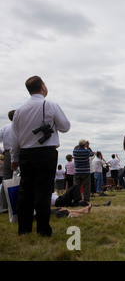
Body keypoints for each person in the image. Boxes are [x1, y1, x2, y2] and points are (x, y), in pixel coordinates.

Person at [10, 75, 71, 236]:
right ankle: (43, 229)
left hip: (25, 153)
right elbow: (65, 126)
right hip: (45, 152)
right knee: (43, 191)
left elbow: (14, 138)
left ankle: (24, 229)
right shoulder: (50, 105)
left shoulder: (19, 111)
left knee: (26, 192)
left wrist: (15, 158)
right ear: (43, 87)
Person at [0, 110, 15, 212]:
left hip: (8, 153)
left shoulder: (5, 128)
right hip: (20, 152)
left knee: (6, 179)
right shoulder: (21, 126)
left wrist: (3, 151)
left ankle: (4, 206)